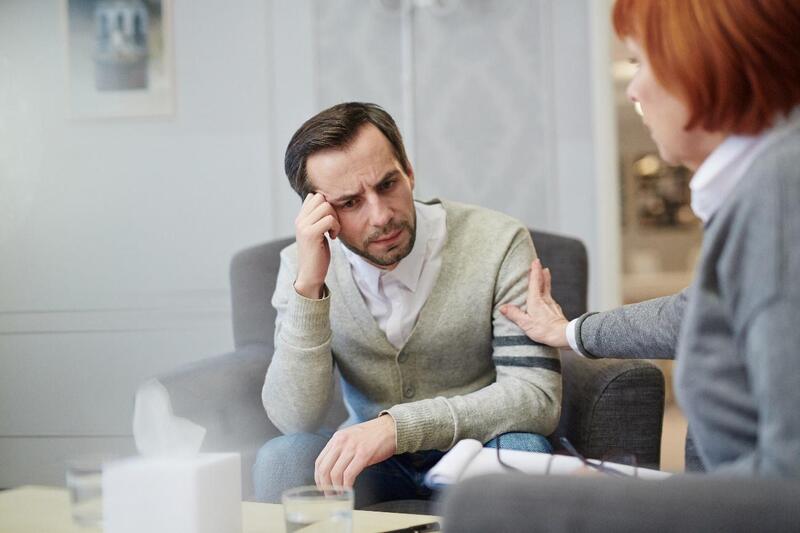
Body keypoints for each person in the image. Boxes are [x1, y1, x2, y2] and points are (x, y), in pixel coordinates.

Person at [502, 0, 800, 478]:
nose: (635, 89)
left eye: (641, 61)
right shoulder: (763, 185)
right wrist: (569, 332)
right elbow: (696, 315)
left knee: (490, 501)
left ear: (704, 62)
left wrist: (639, 499)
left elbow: (786, 483)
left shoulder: (779, 197)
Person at [253, 102, 561, 506]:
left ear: (409, 171)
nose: (381, 216)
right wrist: (309, 287)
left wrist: (399, 428)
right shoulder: (301, 266)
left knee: (525, 453)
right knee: (282, 459)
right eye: (350, 203)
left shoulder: (499, 241)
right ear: (320, 210)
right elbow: (294, 418)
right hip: (369, 466)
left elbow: (536, 397)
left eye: (387, 185)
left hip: (475, 447)